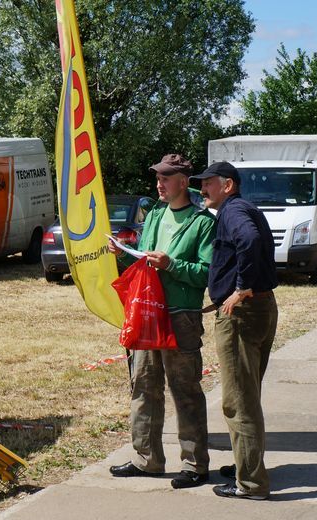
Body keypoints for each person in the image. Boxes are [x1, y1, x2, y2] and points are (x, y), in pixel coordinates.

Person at [108, 154, 216, 489]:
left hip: (180, 316)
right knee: (143, 386)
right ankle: (146, 459)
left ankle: (195, 465)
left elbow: (206, 275)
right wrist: (124, 252)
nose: (159, 184)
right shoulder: (154, 213)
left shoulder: (203, 222)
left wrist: (172, 265)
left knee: (185, 390)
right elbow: (145, 257)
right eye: (157, 178)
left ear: (184, 181)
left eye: (165, 179)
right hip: (147, 313)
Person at [190, 161, 278, 500]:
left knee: (238, 402)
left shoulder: (232, 210)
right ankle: (246, 465)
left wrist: (240, 289)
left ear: (227, 185)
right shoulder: (242, 208)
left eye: (208, 183)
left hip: (243, 315)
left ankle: (251, 484)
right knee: (248, 396)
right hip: (259, 308)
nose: (202, 190)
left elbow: (250, 240)